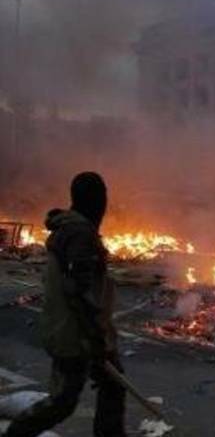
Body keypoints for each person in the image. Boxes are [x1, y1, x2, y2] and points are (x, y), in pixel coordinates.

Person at [5, 172, 126, 437]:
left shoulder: (71, 230)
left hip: (79, 330)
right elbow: (79, 291)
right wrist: (96, 339)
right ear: (95, 201)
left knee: (113, 386)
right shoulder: (80, 235)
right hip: (75, 334)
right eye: (101, 198)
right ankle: (15, 433)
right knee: (63, 402)